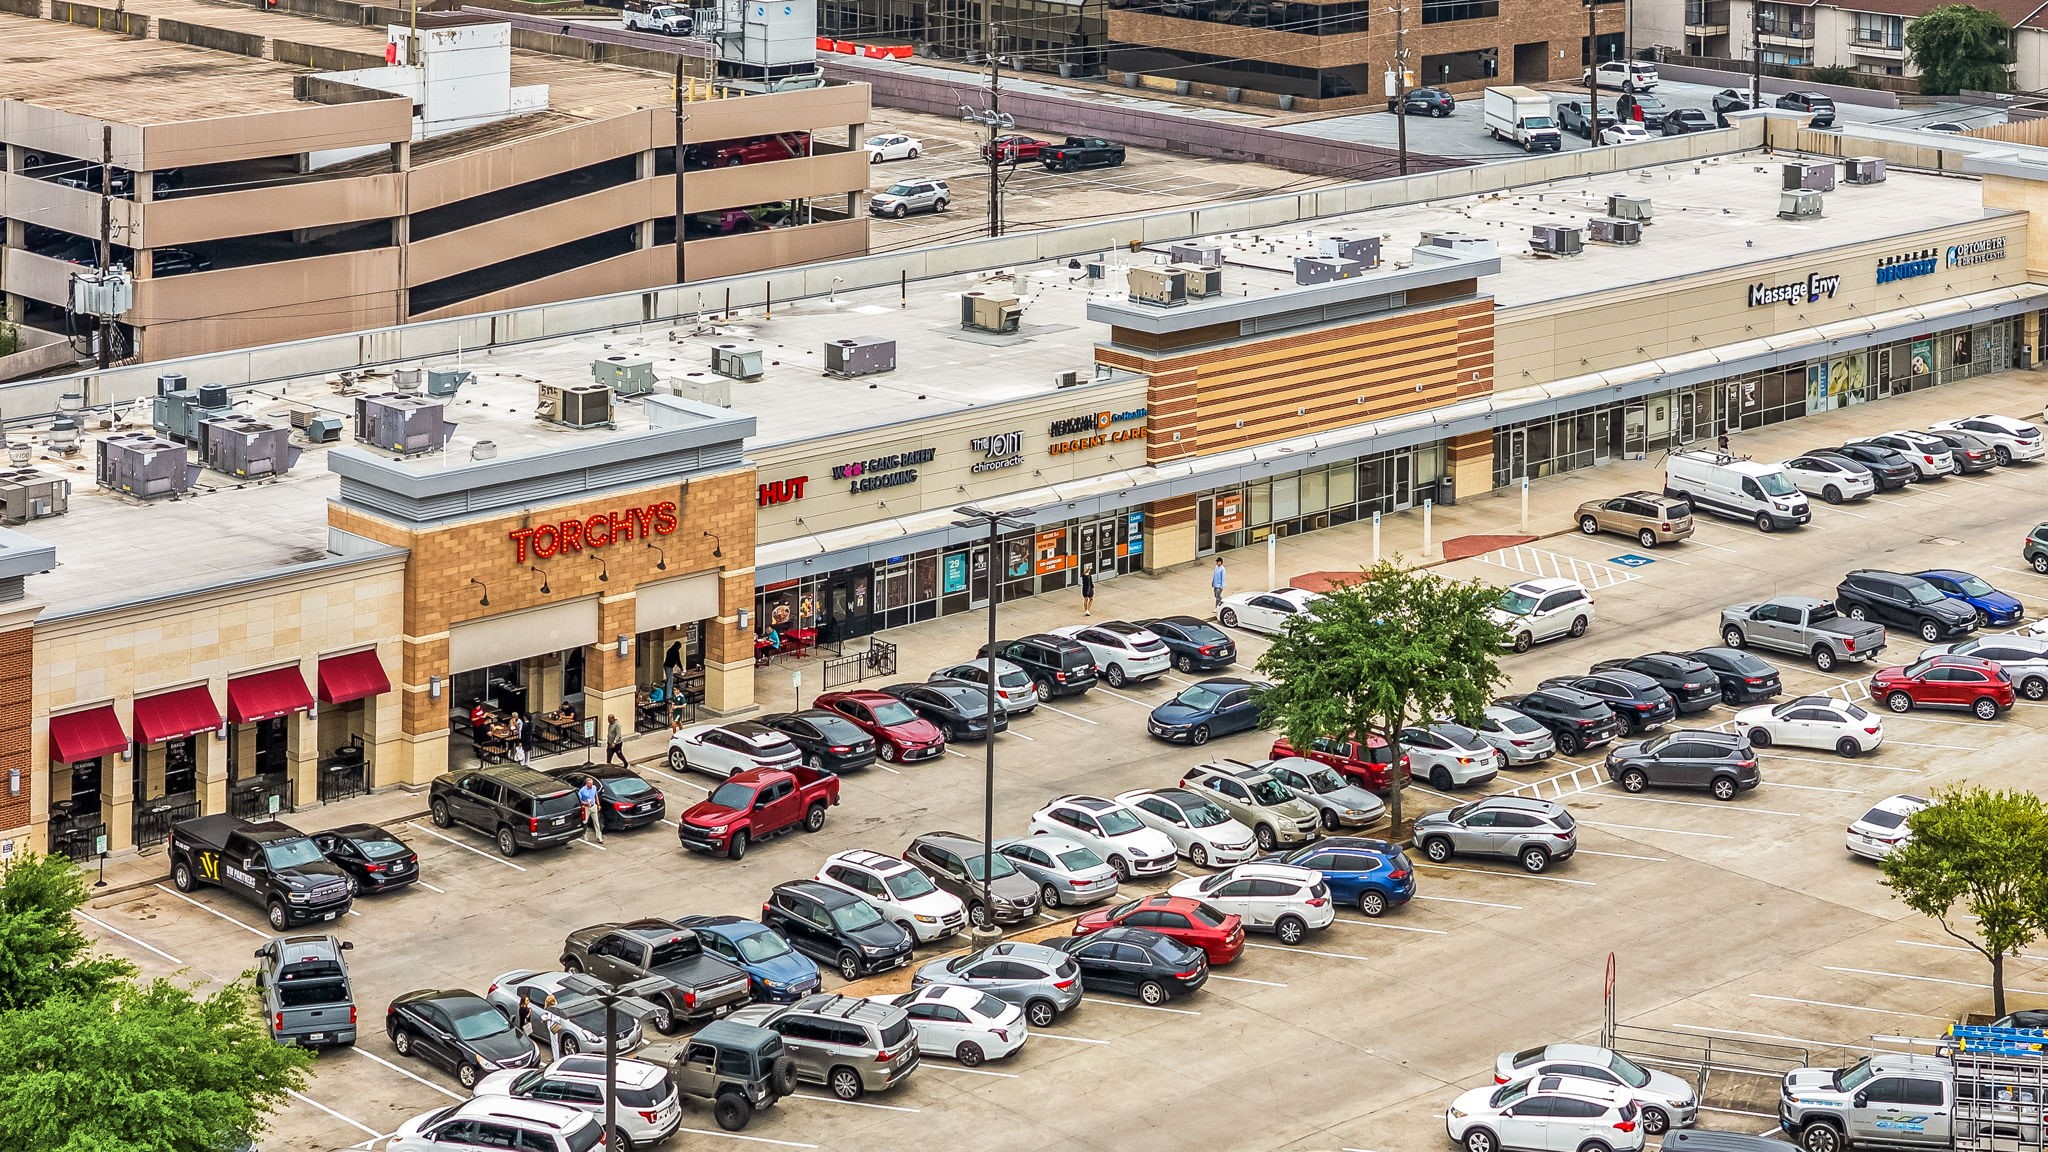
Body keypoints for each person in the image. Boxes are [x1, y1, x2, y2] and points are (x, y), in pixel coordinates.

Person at [577, 775, 603, 844]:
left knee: (596, 822)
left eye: (592, 783)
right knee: (585, 822)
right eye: (590, 784)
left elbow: (596, 796)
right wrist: (585, 803)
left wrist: (598, 804)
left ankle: (599, 837)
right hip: (586, 808)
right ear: (587, 783)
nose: (591, 785)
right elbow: (579, 800)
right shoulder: (582, 790)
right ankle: (585, 836)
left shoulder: (594, 787)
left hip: (593, 806)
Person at [542, 994, 565, 1061]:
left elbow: (558, 1019)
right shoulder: (552, 1007)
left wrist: (549, 1018)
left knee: (555, 1043)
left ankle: (556, 1059)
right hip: (551, 1026)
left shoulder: (556, 1008)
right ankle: (555, 1057)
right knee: (553, 1043)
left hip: (554, 1027)